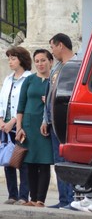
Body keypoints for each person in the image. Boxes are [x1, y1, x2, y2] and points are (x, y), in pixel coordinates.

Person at [16, 49, 55, 207]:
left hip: (45, 126)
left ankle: (41, 199)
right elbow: (21, 105)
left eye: (43, 60)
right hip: (29, 126)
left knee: (44, 162)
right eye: (37, 61)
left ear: (50, 62)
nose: (40, 64)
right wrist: (19, 127)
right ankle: (32, 199)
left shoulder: (54, 81)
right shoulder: (29, 80)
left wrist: (50, 99)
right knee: (30, 162)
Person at [41, 33, 76, 209]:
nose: (52, 51)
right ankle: (64, 199)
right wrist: (45, 119)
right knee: (58, 161)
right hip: (53, 119)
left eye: (53, 47)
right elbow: (49, 93)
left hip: (66, 120)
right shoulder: (57, 68)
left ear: (61, 45)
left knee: (68, 160)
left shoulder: (76, 65)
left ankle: (72, 199)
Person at [0, 47, 31, 205]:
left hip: (19, 126)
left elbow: (25, 103)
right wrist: (1, 120)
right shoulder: (7, 79)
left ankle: (23, 196)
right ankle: (12, 195)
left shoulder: (28, 78)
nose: (10, 62)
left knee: (22, 160)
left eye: (13, 58)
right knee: (8, 160)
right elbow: (1, 100)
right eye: (9, 59)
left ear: (21, 59)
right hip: (4, 126)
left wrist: (13, 121)